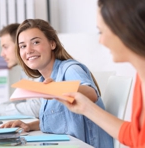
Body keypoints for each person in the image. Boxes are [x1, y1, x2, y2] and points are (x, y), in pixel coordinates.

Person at [0, 19, 113, 148]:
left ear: (52, 44)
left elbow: (91, 94)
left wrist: (57, 89)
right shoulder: (44, 80)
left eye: (35, 42)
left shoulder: (70, 69)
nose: (29, 50)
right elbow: (58, 120)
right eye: (23, 46)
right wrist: (29, 125)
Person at [50, 0, 145, 148]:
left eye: (101, 32)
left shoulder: (70, 69)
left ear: (125, 29)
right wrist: (86, 108)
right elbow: (137, 137)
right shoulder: (141, 76)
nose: (101, 41)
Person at [0, 23, 41, 118]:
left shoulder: (38, 67)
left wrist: (0, 110)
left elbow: (37, 107)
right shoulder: (25, 71)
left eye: (5, 47)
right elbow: (22, 99)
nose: (2, 54)